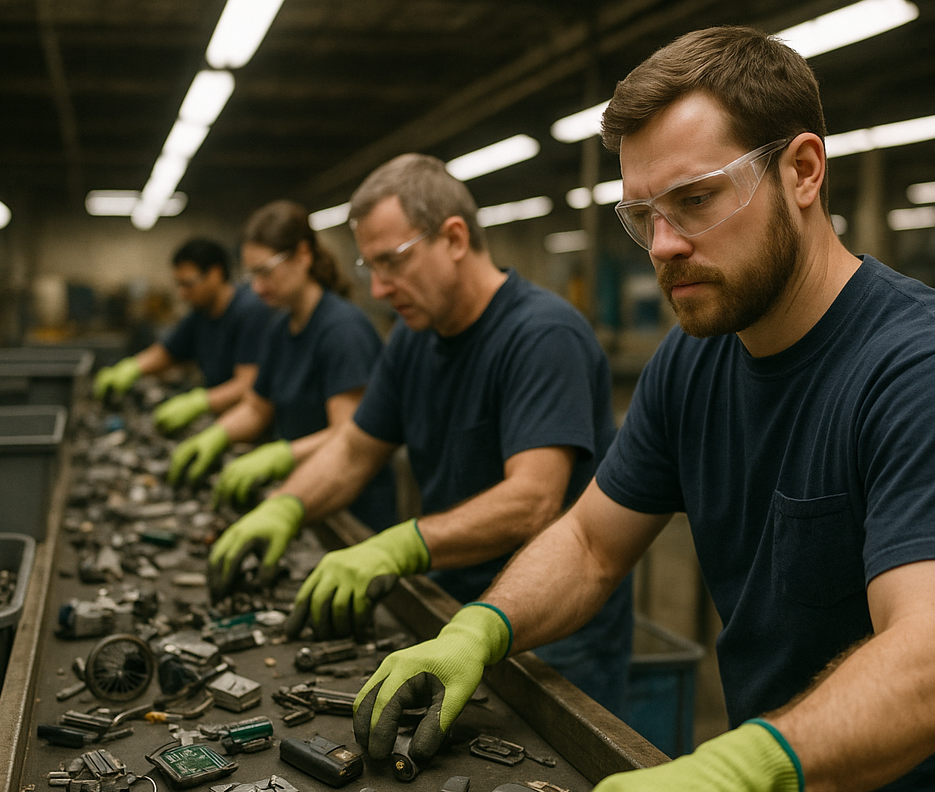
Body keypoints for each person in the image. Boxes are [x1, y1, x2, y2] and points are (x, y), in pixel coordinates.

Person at [351, 27, 935, 792]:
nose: (664, 246)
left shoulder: (925, 374)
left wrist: (727, 770)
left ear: (802, 170)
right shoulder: (696, 358)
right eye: (642, 213)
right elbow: (595, 540)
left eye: (695, 200)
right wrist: (480, 628)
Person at [209, 154, 633, 708]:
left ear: (454, 238)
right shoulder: (415, 336)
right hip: (452, 607)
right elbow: (356, 450)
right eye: (369, 268)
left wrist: (400, 544)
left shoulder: (542, 335)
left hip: (549, 635)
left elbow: (532, 500)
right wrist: (285, 505)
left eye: (392, 262)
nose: (379, 289)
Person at [167, 201, 397, 533]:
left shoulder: (343, 330)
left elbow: (348, 435)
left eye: (266, 272)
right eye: (252, 275)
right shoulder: (280, 328)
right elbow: (258, 408)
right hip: (301, 494)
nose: (257, 287)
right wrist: (216, 436)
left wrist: (281, 455)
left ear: (303, 255)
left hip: (350, 511)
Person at [93, 238, 272, 433]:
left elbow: (248, 384)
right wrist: (131, 368)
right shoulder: (201, 313)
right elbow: (168, 352)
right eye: (178, 284)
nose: (182, 293)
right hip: (222, 418)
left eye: (188, 284)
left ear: (215, 274)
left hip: (249, 425)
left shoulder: (251, 311)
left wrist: (199, 402)